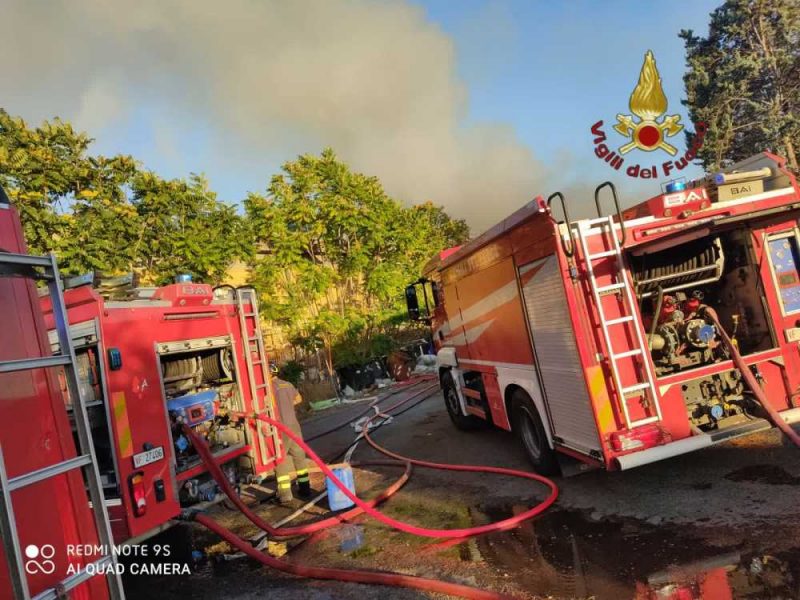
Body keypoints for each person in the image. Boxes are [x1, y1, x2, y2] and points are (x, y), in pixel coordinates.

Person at [271, 364, 311, 504]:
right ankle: (305, 489)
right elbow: (299, 399)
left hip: (280, 428)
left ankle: (286, 495)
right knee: (299, 457)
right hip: (294, 426)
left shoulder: (268, 388)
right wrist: (288, 404)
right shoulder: (287, 384)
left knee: (280, 460)